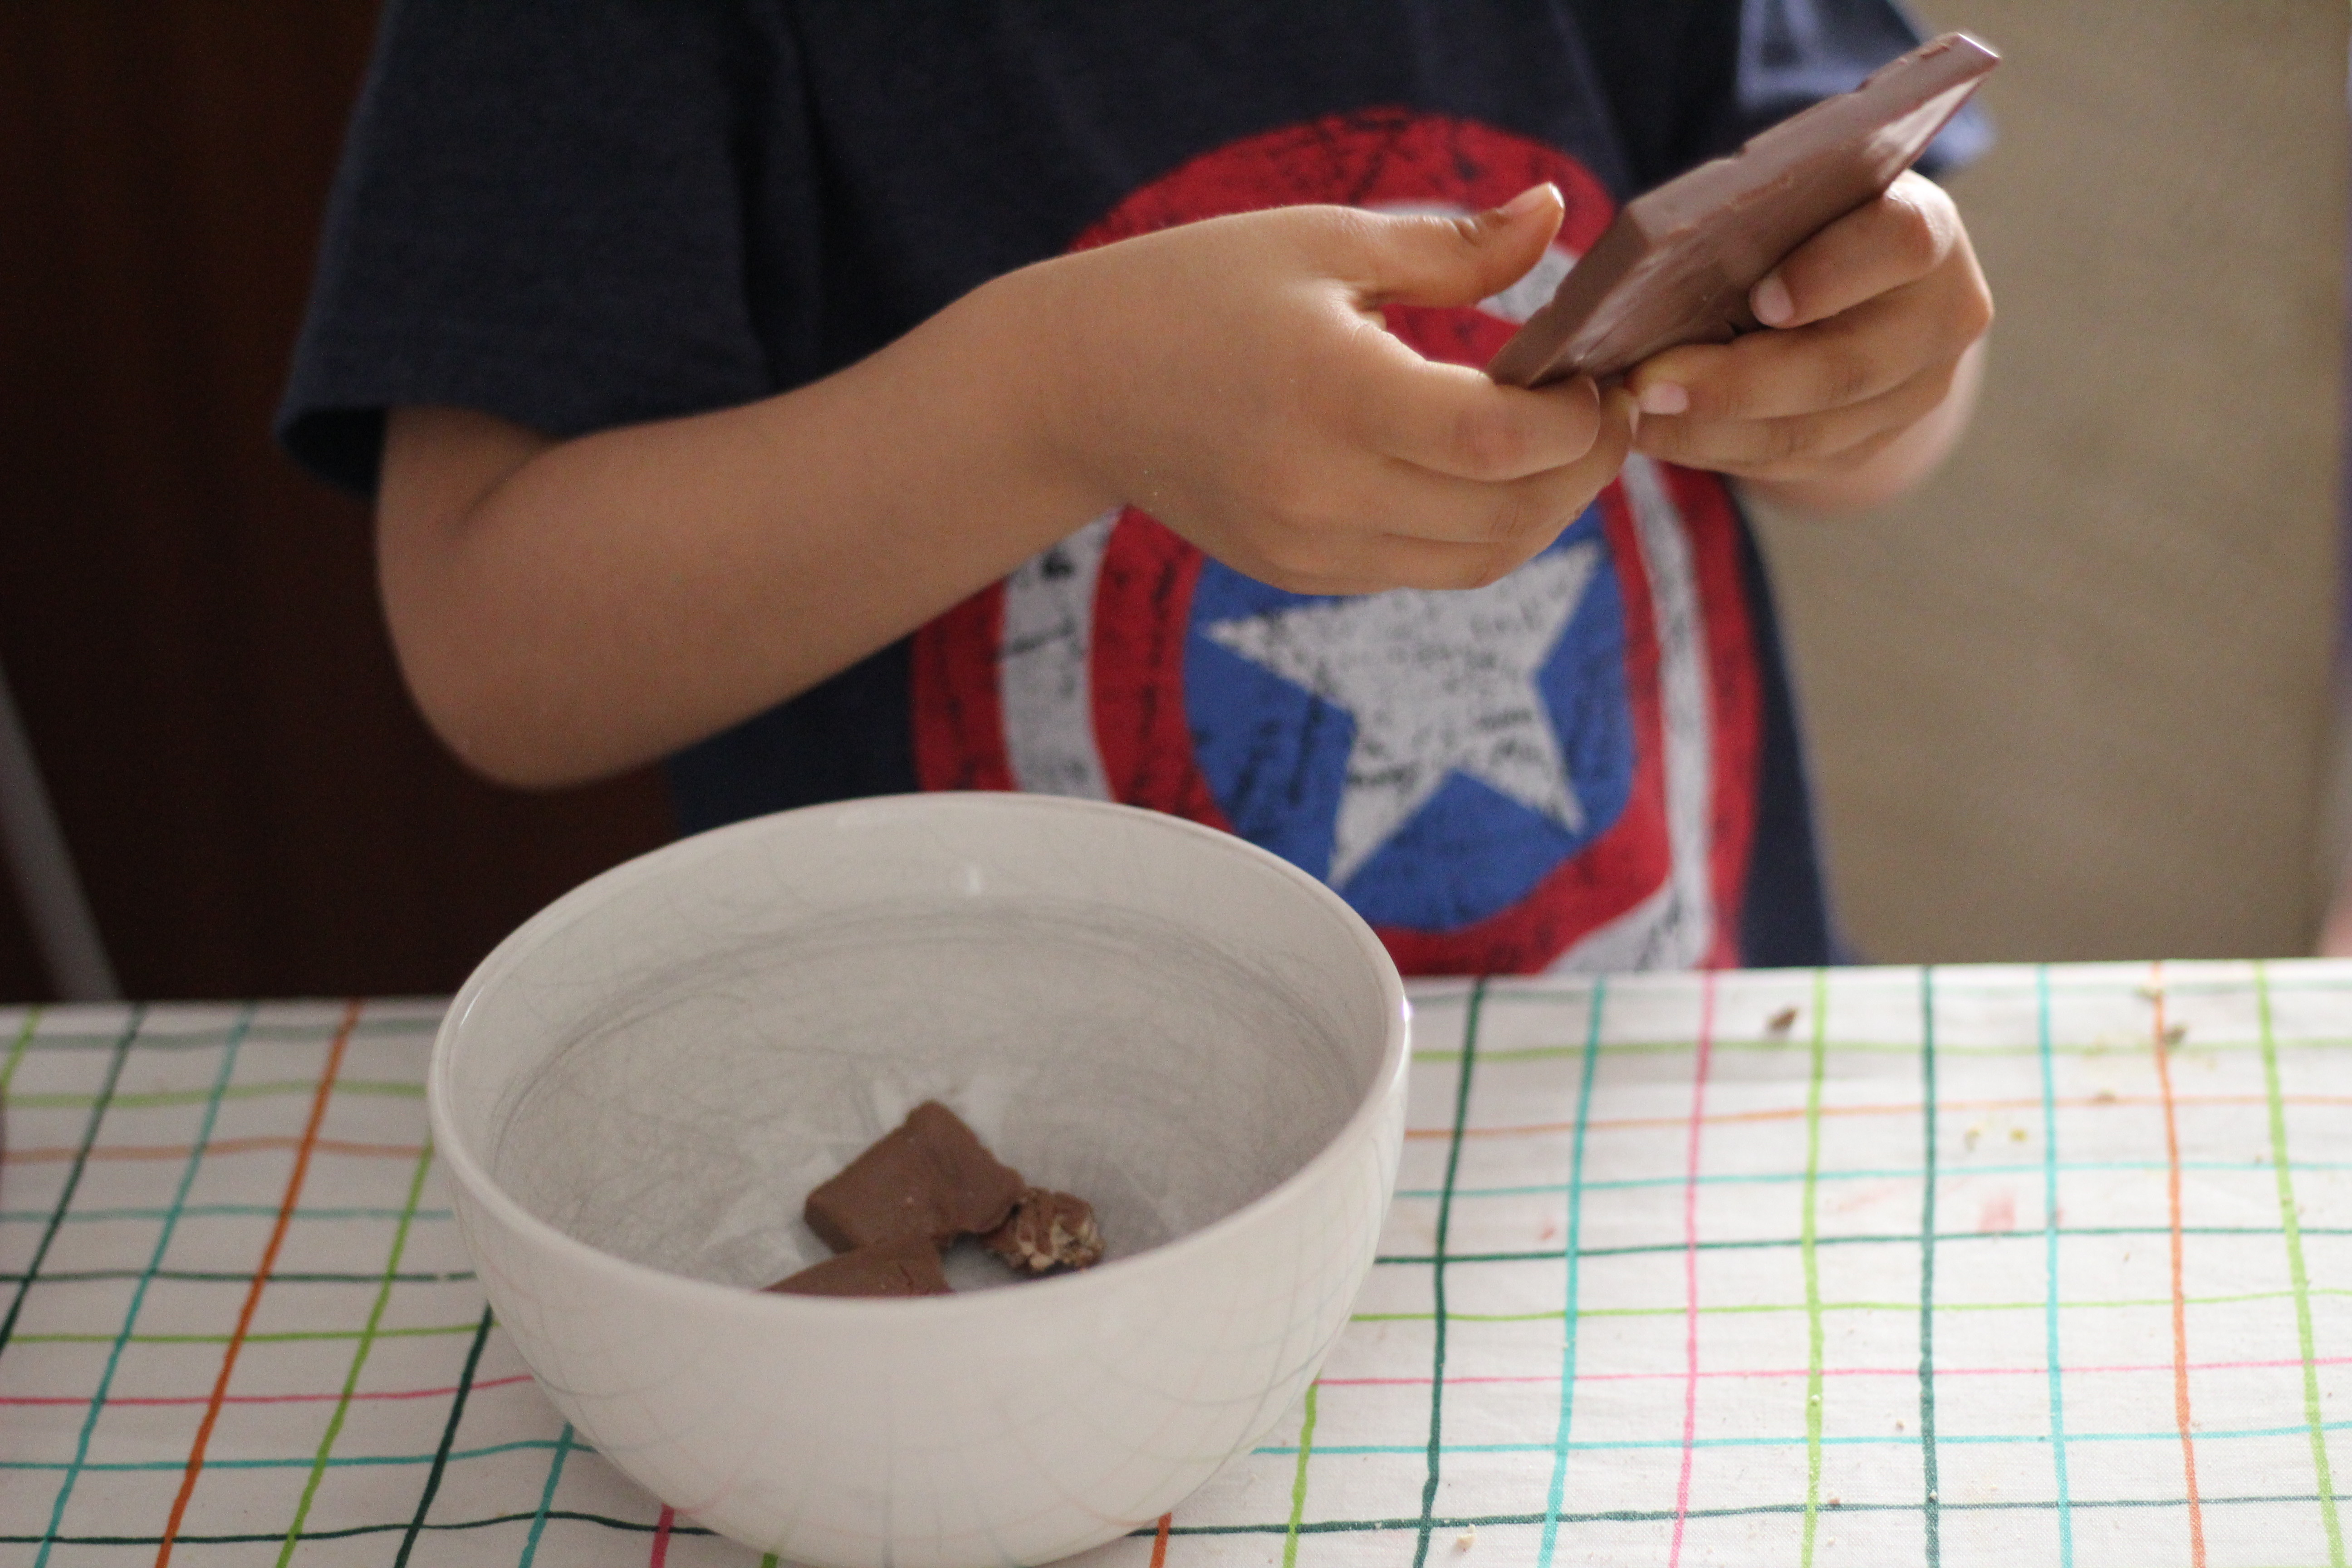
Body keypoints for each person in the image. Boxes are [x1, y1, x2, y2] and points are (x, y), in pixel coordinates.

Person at [279, 0, 1992, 975]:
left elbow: (1867, 392)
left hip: (1638, 1104)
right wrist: (1048, 410)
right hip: (993, 1191)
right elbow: (495, 640)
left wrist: (1870, 369)